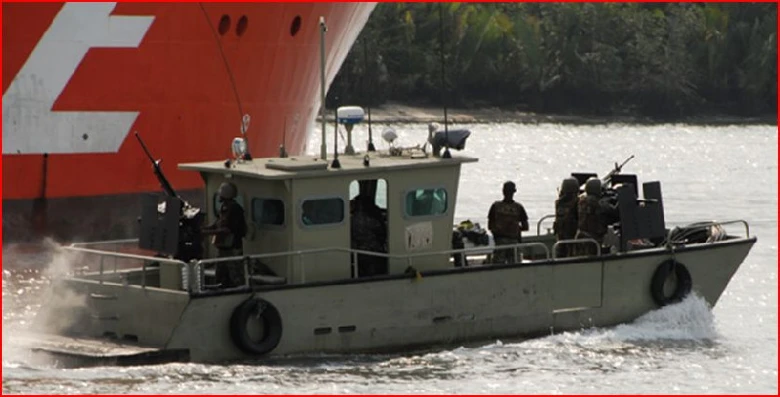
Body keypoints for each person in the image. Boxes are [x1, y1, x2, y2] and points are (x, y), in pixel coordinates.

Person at [202, 181, 247, 287]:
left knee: (236, 277)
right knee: (220, 275)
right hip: (223, 249)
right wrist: (202, 229)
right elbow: (217, 224)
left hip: (232, 249)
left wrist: (207, 233)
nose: (219, 196)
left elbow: (227, 230)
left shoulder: (235, 209)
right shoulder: (224, 207)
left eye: (221, 194)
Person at [350, 180, 388, 277]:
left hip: (358, 251)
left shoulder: (355, 218)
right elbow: (382, 233)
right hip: (373, 251)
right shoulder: (371, 218)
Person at [487, 181, 529, 264]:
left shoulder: (495, 206)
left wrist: (500, 231)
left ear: (503, 191)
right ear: (514, 191)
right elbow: (526, 227)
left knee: (498, 268)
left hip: (501, 242)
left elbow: (490, 226)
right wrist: (514, 228)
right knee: (515, 267)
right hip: (513, 242)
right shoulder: (518, 207)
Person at [575, 177, 612, 256]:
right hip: (594, 240)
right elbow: (611, 211)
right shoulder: (597, 203)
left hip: (581, 237)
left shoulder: (581, 201)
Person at [553, 177, 579, 258]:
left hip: (561, 235)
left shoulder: (559, 203)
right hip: (571, 235)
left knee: (560, 254)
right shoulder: (576, 202)